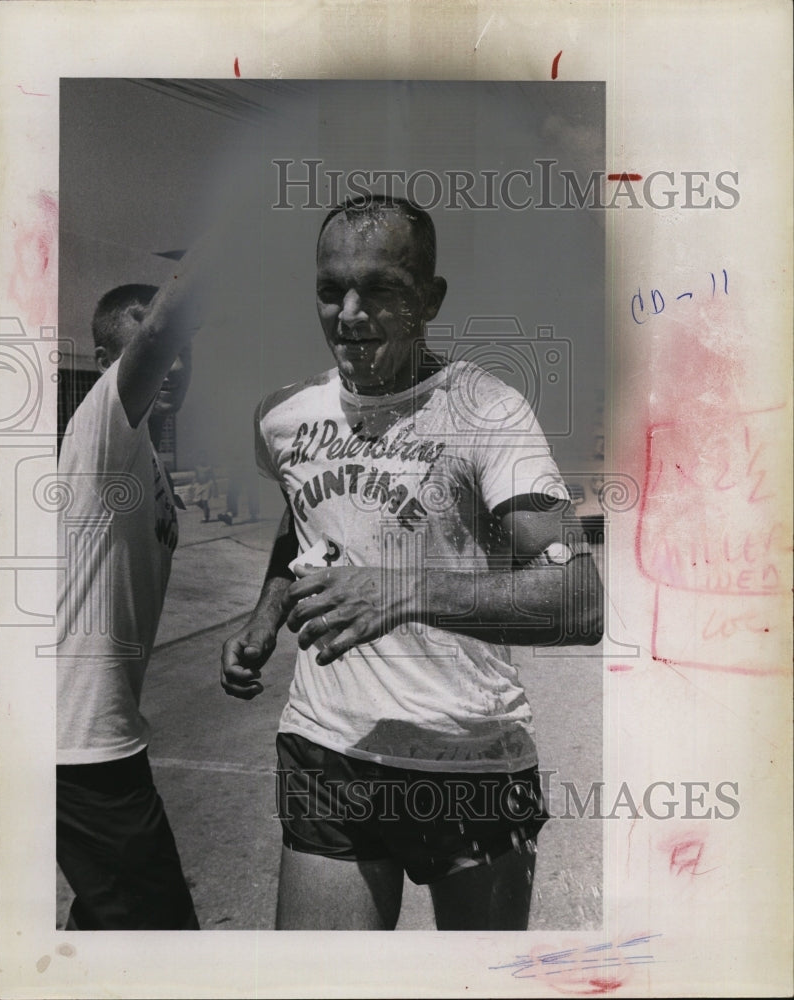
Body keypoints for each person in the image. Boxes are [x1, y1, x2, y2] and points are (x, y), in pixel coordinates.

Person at [221, 196, 603, 931]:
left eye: (381, 289)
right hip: (328, 747)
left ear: (430, 299)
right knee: (316, 984)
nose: (350, 314)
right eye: (331, 290)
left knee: (474, 980)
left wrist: (402, 591)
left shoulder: (487, 412)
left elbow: (579, 601)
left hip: (467, 756)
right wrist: (265, 617)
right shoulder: (284, 416)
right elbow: (305, 515)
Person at [56, 248, 208, 930]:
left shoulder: (141, 450)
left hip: (88, 734)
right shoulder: (103, 430)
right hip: (81, 741)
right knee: (160, 941)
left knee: (108, 924)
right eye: (156, 348)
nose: (174, 365)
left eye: (185, 354)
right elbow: (163, 328)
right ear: (101, 361)